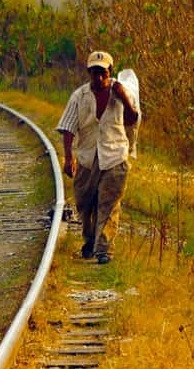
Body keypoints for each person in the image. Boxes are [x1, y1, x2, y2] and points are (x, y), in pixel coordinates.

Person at [56, 51, 140, 265]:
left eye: (103, 73)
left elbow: (132, 120)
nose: (99, 78)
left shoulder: (121, 92)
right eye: (94, 73)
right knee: (85, 203)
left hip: (115, 156)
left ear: (110, 72)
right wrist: (69, 157)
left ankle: (104, 249)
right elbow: (68, 127)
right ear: (89, 73)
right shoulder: (80, 96)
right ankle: (90, 240)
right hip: (87, 157)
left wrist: (123, 98)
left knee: (108, 204)